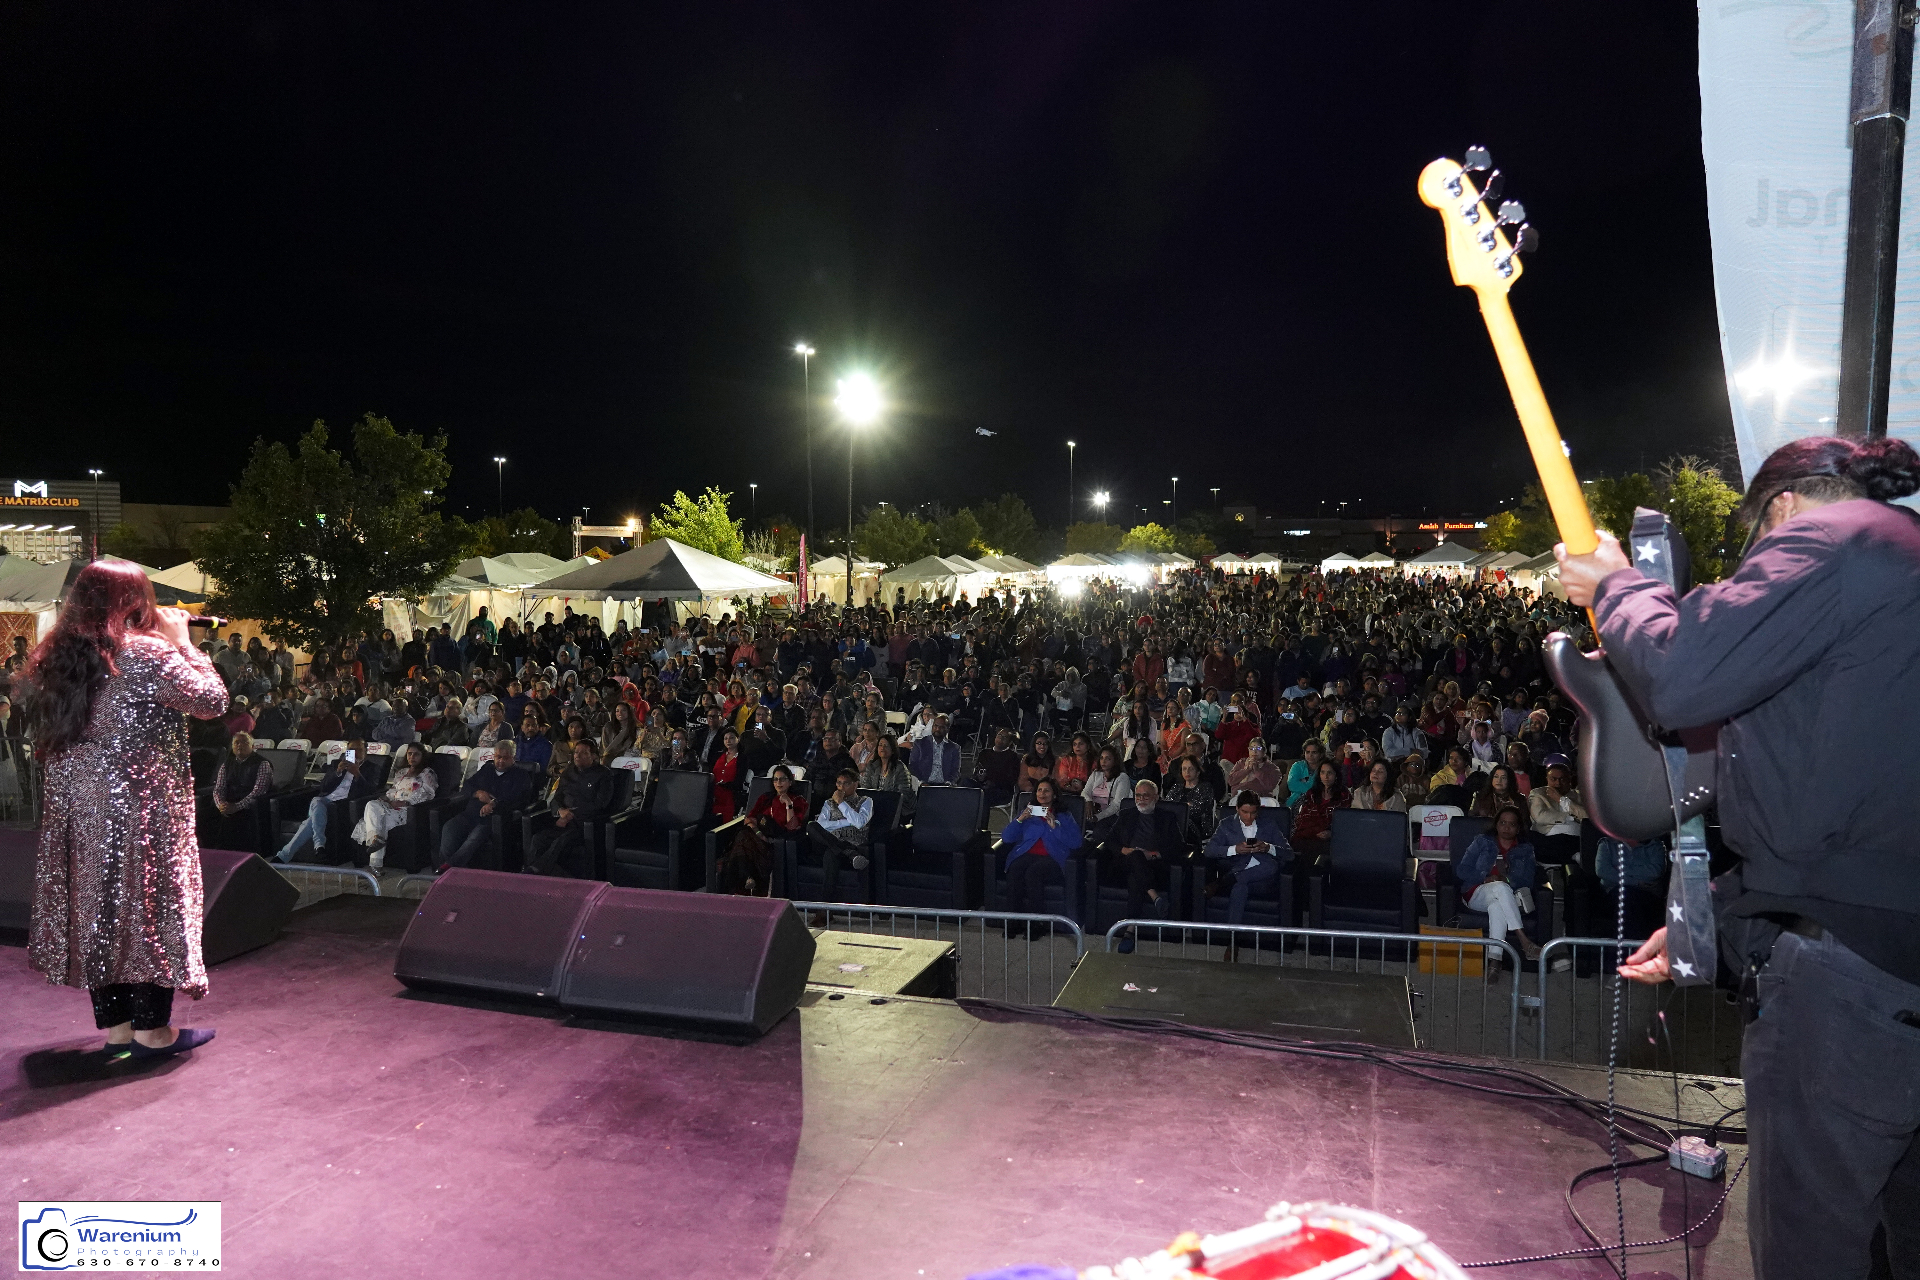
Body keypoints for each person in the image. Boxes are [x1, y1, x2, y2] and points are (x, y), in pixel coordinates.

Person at [1556, 435, 1920, 1280]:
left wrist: (1614, 586)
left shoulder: (1835, 540)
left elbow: (1685, 676)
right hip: (1893, 954)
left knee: (1812, 1244)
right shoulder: (1900, 571)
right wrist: (1706, 918)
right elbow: (1845, 800)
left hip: (1851, 989)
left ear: (1781, 509)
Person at [22, 560, 227, 1059]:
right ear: (136, 600)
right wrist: (185, 643)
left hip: (79, 805)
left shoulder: (61, 653)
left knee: (99, 906)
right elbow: (211, 701)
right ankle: (152, 1032)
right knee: (151, 905)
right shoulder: (147, 654)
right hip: (141, 805)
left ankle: (116, 1028)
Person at [1455, 806, 1557, 969]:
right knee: (1500, 887)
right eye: (1502, 823)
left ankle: (1494, 962)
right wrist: (1485, 878)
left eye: (1511, 824)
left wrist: (1506, 879)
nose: (1506, 828)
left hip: (1506, 896)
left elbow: (1528, 879)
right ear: (1496, 825)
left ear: (1518, 828)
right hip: (1476, 893)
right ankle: (1525, 942)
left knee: (1497, 906)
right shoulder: (1482, 841)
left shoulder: (1525, 849)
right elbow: (1462, 870)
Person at [436, 739, 534, 872]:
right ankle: (455, 871)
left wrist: (494, 804)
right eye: (498, 757)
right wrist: (478, 793)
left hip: (491, 819)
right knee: (449, 828)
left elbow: (520, 800)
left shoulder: (521, 775)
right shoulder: (487, 768)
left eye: (505, 758)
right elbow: (467, 786)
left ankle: (449, 868)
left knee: (474, 837)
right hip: (470, 814)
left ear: (513, 758)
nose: (500, 761)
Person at [525, 739, 616, 877]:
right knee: (538, 839)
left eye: (583, 753)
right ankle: (540, 875)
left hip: (585, 824)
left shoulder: (603, 774)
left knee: (561, 841)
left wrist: (569, 815)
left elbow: (600, 804)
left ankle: (534, 871)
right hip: (563, 820)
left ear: (594, 756)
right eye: (576, 752)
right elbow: (557, 797)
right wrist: (560, 811)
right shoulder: (568, 772)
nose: (577, 756)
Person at [274, 738, 375, 863]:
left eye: (358, 749)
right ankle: (318, 847)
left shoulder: (372, 768)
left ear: (365, 751)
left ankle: (287, 854)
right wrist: (337, 772)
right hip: (326, 800)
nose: (354, 752)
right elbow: (323, 787)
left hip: (344, 804)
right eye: (351, 749)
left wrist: (357, 774)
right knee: (317, 801)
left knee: (310, 820)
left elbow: (371, 792)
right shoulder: (336, 763)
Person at [1205, 790, 1293, 924]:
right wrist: (1235, 849)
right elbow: (1209, 850)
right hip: (1241, 870)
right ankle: (1233, 939)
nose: (1249, 817)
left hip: (1264, 879)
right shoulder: (1226, 825)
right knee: (1239, 888)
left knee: (1271, 865)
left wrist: (1268, 848)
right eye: (1244, 812)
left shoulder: (1269, 824)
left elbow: (1289, 854)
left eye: (1253, 813)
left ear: (1258, 811)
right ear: (1237, 809)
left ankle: (1227, 880)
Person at [721, 763, 808, 895]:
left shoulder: (797, 801)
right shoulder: (766, 798)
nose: (779, 783)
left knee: (741, 840)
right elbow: (749, 819)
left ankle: (746, 878)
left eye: (783, 779)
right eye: (776, 779)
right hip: (757, 836)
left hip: (775, 841)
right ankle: (747, 877)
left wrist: (788, 805)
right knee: (743, 835)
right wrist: (759, 833)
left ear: (790, 782)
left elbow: (792, 827)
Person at [999, 778, 1081, 917]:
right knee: (1015, 869)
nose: (1042, 794)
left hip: (1052, 858)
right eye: (1039, 790)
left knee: (1033, 873)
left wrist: (1055, 827)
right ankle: (1013, 921)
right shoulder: (1028, 813)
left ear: (1054, 795)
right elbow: (1006, 838)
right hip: (1027, 854)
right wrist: (1020, 820)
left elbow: (1077, 842)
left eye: (1047, 790)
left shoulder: (1063, 815)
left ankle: (1037, 923)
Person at [351, 741, 438, 871]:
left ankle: (375, 863)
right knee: (371, 804)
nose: (412, 757)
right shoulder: (401, 772)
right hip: (391, 805)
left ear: (422, 756)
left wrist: (406, 802)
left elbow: (428, 794)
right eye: (409, 754)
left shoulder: (427, 773)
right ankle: (376, 839)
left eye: (416, 754)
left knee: (380, 820)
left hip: (408, 810)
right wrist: (386, 798)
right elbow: (392, 791)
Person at [206, 731, 273, 848]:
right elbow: (218, 789)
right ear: (232, 747)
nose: (240, 745)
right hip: (227, 804)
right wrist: (221, 805)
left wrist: (236, 807)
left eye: (244, 742)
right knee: (204, 816)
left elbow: (258, 791)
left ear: (252, 746)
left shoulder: (262, 764)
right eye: (236, 743)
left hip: (248, 804)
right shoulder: (226, 764)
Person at [808, 768, 874, 873]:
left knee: (830, 854)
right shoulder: (829, 803)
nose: (841, 787)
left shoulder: (866, 801)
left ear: (855, 784)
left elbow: (860, 823)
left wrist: (841, 803)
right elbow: (820, 825)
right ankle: (849, 853)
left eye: (846, 784)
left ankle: (846, 851)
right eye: (839, 783)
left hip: (853, 843)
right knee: (812, 825)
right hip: (831, 841)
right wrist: (847, 822)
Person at [1525, 761, 1585, 865]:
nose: (1558, 783)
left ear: (1569, 780)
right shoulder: (1538, 794)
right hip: (1548, 838)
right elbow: (1540, 817)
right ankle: (1571, 856)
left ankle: (1570, 857)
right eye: (1553, 779)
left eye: (1562, 779)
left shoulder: (1579, 796)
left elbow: (1586, 817)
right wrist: (1569, 818)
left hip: (1575, 838)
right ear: (1547, 779)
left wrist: (1561, 799)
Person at [908, 713, 961, 785]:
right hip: (924, 783)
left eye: (942, 727)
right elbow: (913, 766)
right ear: (932, 726)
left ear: (947, 729)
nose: (937, 729)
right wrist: (920, 782)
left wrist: (949, 783)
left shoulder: (954, 748)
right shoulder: (920, 743)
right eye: (936, 726)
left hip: (944, 785)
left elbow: (955, 771)